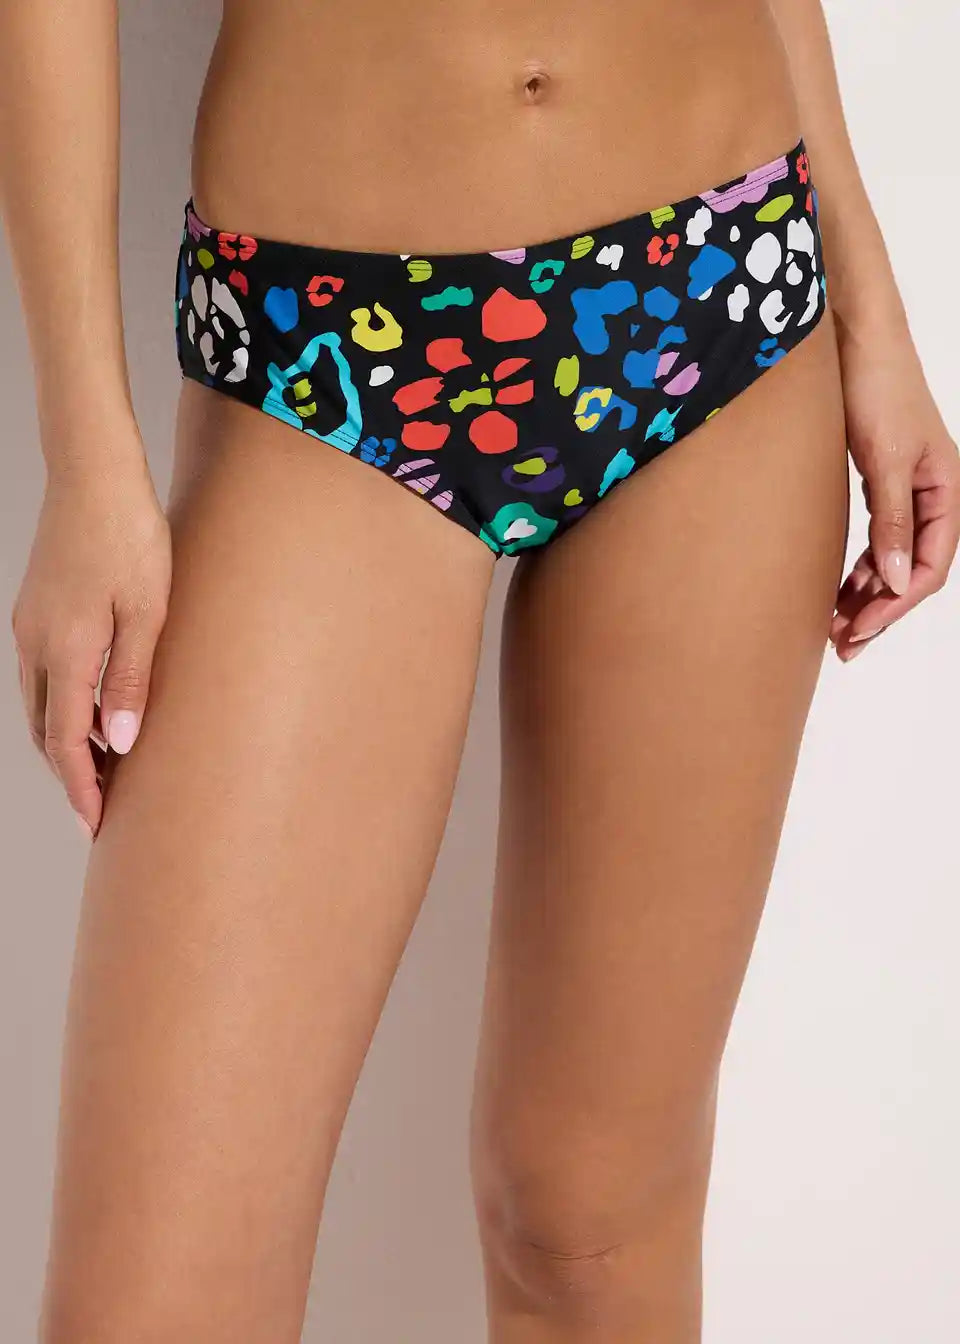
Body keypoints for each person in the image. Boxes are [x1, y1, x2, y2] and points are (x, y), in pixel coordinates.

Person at [1, 2, 957, 1340]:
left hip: (723, 285)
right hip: (326, 344)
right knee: (151, 1306)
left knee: (587, 1222)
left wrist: (873, 314)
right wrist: (85, 463)